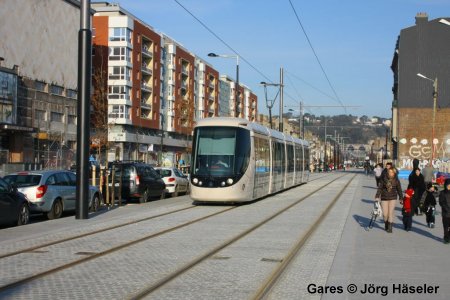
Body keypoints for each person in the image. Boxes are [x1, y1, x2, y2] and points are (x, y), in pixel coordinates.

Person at [375, 167, 403, 233]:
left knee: (390, 213)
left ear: (394, 173)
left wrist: (401, 198)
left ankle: (390, 228)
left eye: (392, 172)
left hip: (393, 198)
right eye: (390, 172)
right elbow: (380, 188)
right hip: (384, 197)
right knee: (385, 214)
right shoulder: (383, 179)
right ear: (388, 172)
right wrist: (377, 196)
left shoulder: (396, 180)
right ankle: (386, 223)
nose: (391, 173)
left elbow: (399, 190)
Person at [438, 179, 450, 244]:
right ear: (445, 185)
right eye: (448, 185)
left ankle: (448, 236)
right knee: (445, 227)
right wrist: (445, 208)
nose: (449, 187)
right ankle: (446, 238)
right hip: (445, 213)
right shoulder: (442, 193)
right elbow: (441, 202)